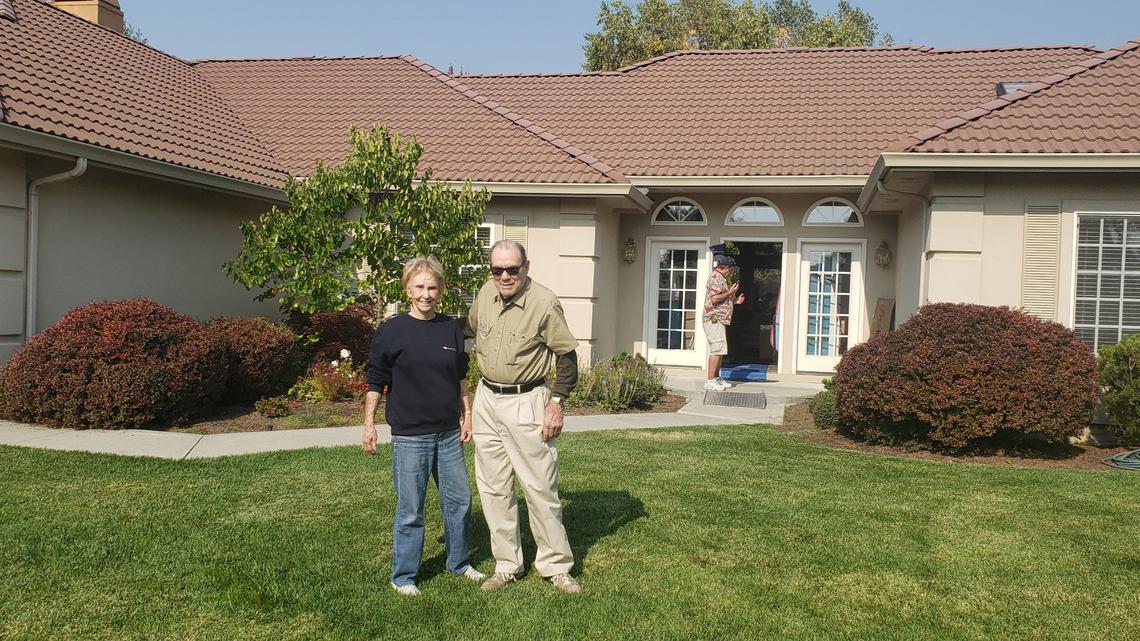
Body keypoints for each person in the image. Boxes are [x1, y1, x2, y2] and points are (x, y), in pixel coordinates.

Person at [362, 255, 485, 596]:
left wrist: (468, 415)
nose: (426, 293)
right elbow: (376, 380)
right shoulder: (391, 330)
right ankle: (404, 576)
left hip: (448, 434)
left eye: (432, 287)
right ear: (407, 289)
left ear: (441, 289)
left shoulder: (450, 329)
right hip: (410, 436)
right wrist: (369, 425)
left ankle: (458, 563)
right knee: (411, 510)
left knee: (460, 501)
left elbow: (461, 376)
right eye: (420, 286)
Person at [464, 239, 582, 594]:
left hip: (527, 400)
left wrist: (557, 402)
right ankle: (506, 564)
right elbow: (466, 329)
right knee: (493, 487)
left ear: (526, 267)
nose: (504, 276)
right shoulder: (485, 293)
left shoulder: (544, 303)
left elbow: (567, 357)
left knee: (539, 486)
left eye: (511, 269)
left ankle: (555, 566)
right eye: (496, 269)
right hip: (486, 399)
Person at [703, 254, 745, 391]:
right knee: (716, 348)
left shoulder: (721, 278)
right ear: (725, 268)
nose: (731, 271)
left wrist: (735, 301)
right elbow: (714, 299)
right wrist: (730, 293)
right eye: (730, 269)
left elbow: (720, 301)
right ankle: (710, 381)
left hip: (719, 319)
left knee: (720, 349)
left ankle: (716, 378)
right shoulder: (716, 278)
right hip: (713, 319)